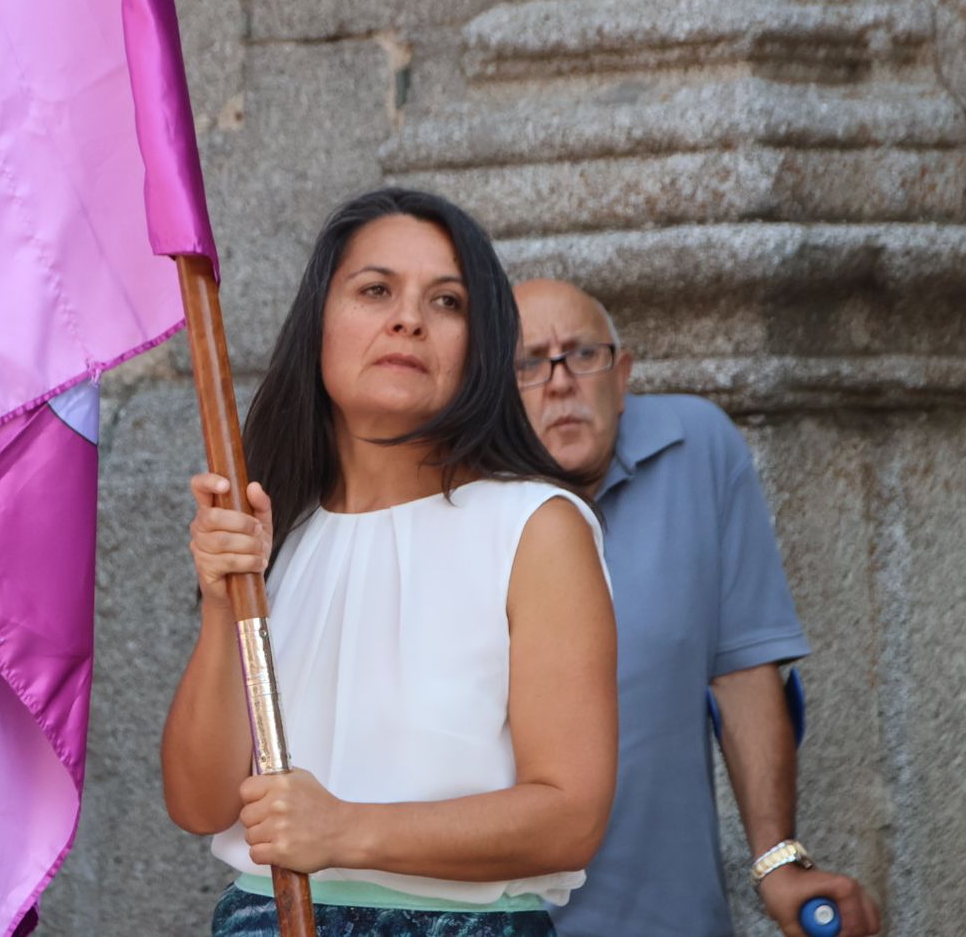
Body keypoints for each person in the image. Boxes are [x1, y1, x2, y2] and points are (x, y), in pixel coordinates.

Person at [162, 189, 619, 936]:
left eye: (447, 301)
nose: (408, 318)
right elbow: (199, 801)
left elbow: (570, 814)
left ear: (481, 345)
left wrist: (344, 830)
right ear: (318, 324)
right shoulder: (278, 532)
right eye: (376, 290)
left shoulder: (535, 527)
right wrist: (223, 601)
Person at [513, 279, 883, 937]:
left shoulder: (698, 446)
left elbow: (741, 669)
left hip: (667, 916)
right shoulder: (457, 491)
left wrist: (778, 861)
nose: (560, 382)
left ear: (622, 375)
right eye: (529, 364)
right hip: (501, 916)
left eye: (582, 354)